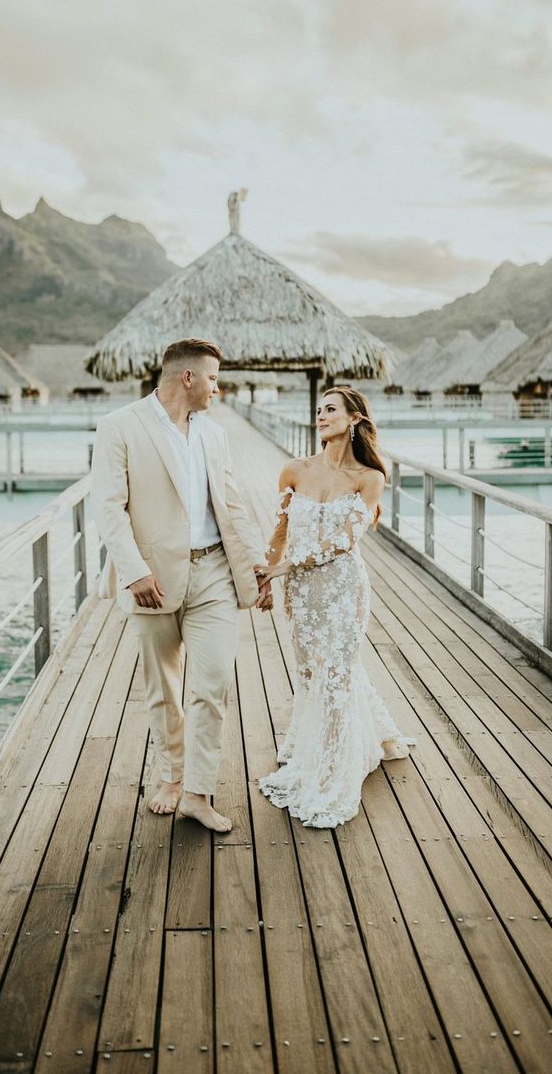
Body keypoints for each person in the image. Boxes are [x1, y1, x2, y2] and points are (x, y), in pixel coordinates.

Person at [91, 338, 271, 833]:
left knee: (211, 685)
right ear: (187, 378)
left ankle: (197, 792)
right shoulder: (119, 427)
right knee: (164, 689)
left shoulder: (214, 435)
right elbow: (108, 507)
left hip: (212, 572)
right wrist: (133, 572)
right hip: (151, 579)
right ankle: (171, 776)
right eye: (213, 378)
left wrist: (257, 563)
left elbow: (232, 506)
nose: (218, 387)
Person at [257, 385, 415, 828]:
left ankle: (332, 770)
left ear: (354, 420)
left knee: (338, 673)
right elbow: (280, 530)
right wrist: (270, 577)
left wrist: (285, 567)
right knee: (309, 671)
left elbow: (345, 540)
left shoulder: (369, 478)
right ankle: (332, 742)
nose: (321, 416)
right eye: (319, 410)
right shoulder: (294, 470)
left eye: (331, 410)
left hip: (344, 590)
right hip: (301, 592)